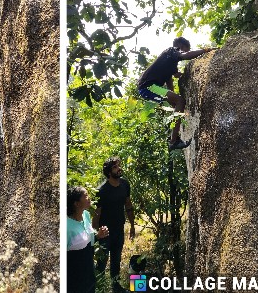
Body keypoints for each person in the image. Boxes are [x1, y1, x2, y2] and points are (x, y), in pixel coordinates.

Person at [137, 37, 215, 150]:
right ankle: (173, 141)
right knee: (180, 101)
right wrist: (206, 50)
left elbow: (169, 80)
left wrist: (173, 97)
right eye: (185, 50)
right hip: (147, 86)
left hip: (151, 87)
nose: (185, 52)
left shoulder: (171, 62)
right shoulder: (171, 50)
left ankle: (174, 138)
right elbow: (185, 56)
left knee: (178, 103)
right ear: (180, 46)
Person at [93, 157, 135, 292]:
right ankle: (98, 288)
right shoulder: (101, 190)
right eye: (115, 167)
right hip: (104, 232)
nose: (119, 169)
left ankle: (116, 287)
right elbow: (97, 214)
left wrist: (133, 225)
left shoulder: (125, 185)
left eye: (119, 166)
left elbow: (128, 205)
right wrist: (96, 235)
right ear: (109, 172)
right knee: (101, 262)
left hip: (119, 229)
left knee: (116, 260)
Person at [68, 186, 108, 293]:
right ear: (76, 204)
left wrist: (98, 235)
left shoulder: (85, 215)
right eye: (85, 196)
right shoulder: (66, 226)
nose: (89, 198)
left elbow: (87, 239)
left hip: (89, 271)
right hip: (74, 277)